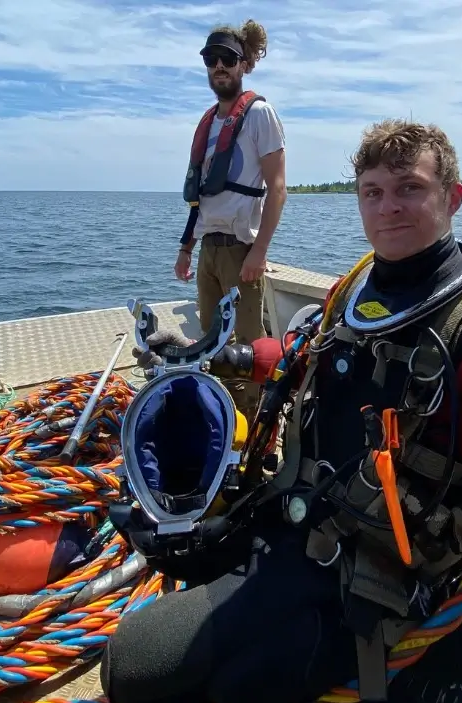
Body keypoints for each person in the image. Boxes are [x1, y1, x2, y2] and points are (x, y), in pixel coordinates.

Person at [103, 119, 462, 703]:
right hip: (297, 517)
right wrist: (223, 356)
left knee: (137, 669)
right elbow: (310, 353)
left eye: (409, 188)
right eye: (372, 192)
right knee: (166, 555)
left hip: (372, 577)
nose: (388, 207)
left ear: (453, 197)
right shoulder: (358, 285)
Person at [175, 20, 287, 413]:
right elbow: (201, 195)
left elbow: (277, 189)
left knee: (245, 352)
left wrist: (259, 251)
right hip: (208, 249)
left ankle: (250, 434)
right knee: (211, 344)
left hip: (242, 252)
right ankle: (219, 422)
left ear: (244, 64)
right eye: (211, 58)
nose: (219, 66)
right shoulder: (208, 124)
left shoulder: (260, 114)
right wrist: (186, 248)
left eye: (228, 58)